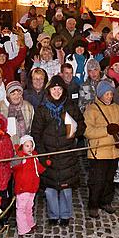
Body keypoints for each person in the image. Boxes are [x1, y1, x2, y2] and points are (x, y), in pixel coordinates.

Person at [31, 76, 83, 225]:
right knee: (50, 189)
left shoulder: (71, 106)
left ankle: (65, 215)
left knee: (66, 188)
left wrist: (74, 130)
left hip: (67, 154)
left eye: (59, 89)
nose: (57, 92)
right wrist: (42, 155)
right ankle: (53, 215)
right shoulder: (42, 109)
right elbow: (36, 133)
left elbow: (81, 125)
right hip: (49, 154)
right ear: (49, 90)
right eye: (54, 89)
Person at [84, 80, 119, 218]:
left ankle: (106, 202)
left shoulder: (116, 107)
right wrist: (106, 130)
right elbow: (87, 131)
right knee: (97, 181)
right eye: (107, 94)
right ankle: (93, 204)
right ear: (100, 95)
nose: (109, 97)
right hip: (99, 152)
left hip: (114, 151)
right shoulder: (92, 109)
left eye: (111, 94)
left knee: (110, 179)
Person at [12, 134, 46, 235]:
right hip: (23, 187)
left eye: (31, 146)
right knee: (21, 208)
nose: (29, 148)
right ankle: (23, 229)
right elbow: (12, 165)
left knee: (29, 206)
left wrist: (46, 165)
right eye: (27, 146)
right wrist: (19, 158)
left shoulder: (34, 157)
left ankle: (29, 223)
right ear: (22, 146)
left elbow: (38, 169)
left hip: (32, 187)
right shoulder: (20, 157)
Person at [0, 81, 34, 145]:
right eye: (13, 94)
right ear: (8, 95)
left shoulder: (28, 107)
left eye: (19, 93)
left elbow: (32, 127)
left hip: (24, 144)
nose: (16, 97)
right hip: (4, 143)